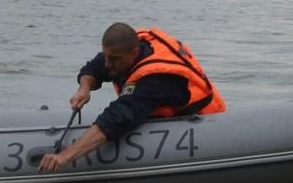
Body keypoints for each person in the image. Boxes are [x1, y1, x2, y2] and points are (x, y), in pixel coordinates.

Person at [38, 23, 226, 172]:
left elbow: (116, 118)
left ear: (135, 54)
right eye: (106, 57)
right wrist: (84, 88)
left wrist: (64, 156)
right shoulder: (121, 53)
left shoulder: (155, 79)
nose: (107, 64)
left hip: (203, 122)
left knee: (119, 118)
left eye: (113, 59)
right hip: (166, 110)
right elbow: (94, 67)